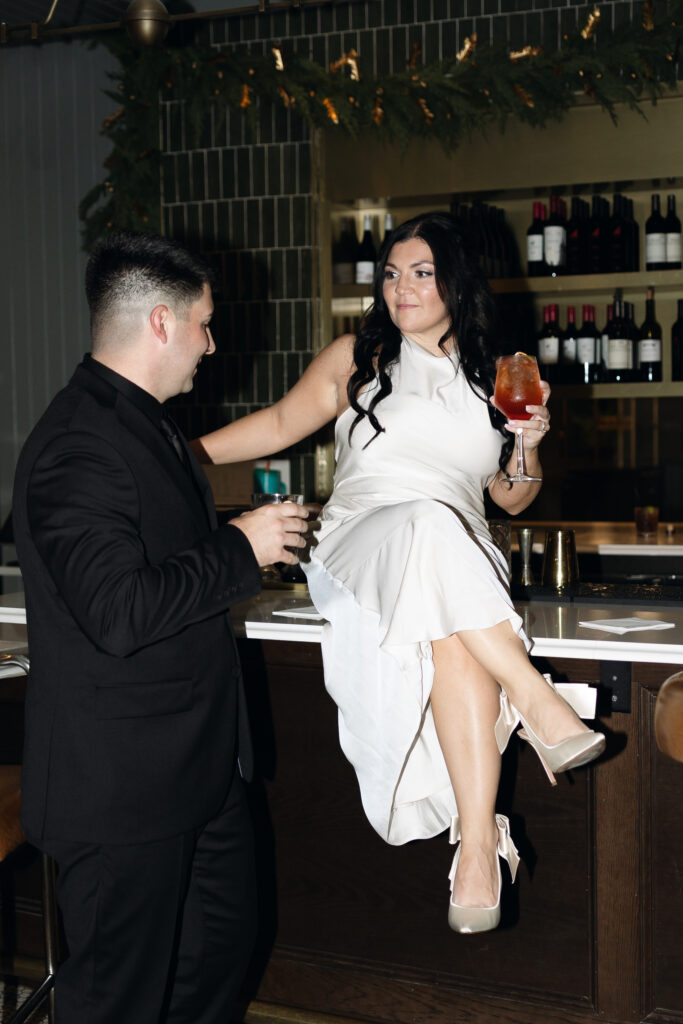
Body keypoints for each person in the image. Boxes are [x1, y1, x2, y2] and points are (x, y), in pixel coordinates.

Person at [191, 211, 605, 935]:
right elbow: (280, 423)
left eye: (420, 272)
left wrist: (527, 447)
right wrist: (176, 455)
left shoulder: (503, 371)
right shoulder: (360, 355)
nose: (401, 287)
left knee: (449, 616)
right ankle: (533, 698)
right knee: (421, 522)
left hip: (455, 549)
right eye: (391, 273)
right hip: (363, 536)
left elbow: (509, 494)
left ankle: (476, 845)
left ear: (456, 279)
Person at [12, 230, 314, 1023]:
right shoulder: (78, 445)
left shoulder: (144, 426)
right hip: (119, 789)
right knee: (118, 1000)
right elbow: (118, 614)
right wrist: (239, 547)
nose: (212, 345)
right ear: (159, 322)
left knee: (218, 956)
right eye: (204, 323)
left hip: (195, 772)